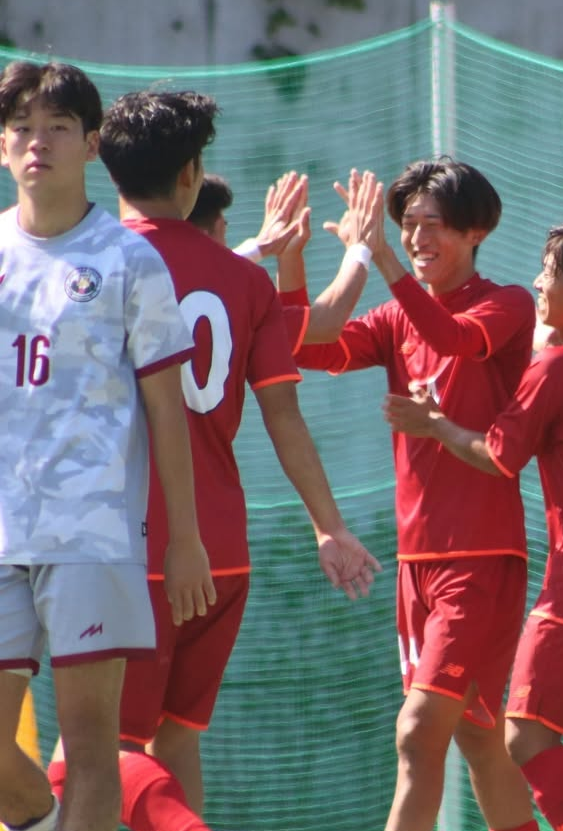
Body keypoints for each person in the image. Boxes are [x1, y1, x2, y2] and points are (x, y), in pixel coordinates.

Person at [45, 90, 381, 828]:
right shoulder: (242, 277)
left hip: (126, 547)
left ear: (103, 163)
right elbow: (285, 417)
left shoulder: (83, 265)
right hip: (221, 550)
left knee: (99, 749)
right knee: (177, 736)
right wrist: (329, 527)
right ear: (193, 176)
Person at [0, 61, 214, 831]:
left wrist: (184, 540)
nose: (37, 142)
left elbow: (166, 410)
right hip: (1, 533)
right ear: (0, 144)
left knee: (93, 751)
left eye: (57, 127)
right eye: (21, 125)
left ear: (92, 145)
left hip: (95, 538)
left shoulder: (130, 260)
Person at [294, 159, 539, 831]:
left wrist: (379, 256)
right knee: (480, 739)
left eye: (433, 224)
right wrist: (293, 259)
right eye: (406, 226)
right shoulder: (397, 318)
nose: (416, 236)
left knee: (416, 732)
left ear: (476, 229)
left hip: (481, 560)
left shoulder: (507, 303)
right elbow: (307, 348)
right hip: (417, 566)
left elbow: (452, 336)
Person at [384, 223, 563, 831]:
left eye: (548, 272)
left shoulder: (557, 370)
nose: (536, 282)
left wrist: (437, 426)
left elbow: (498, 456)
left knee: (523, 736)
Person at [191, 168, 371, 346]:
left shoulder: (167, 283)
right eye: (225, 225)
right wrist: (360, 246)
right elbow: (325, 323)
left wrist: (258, 249)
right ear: (207, 235)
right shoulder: (232, 306)